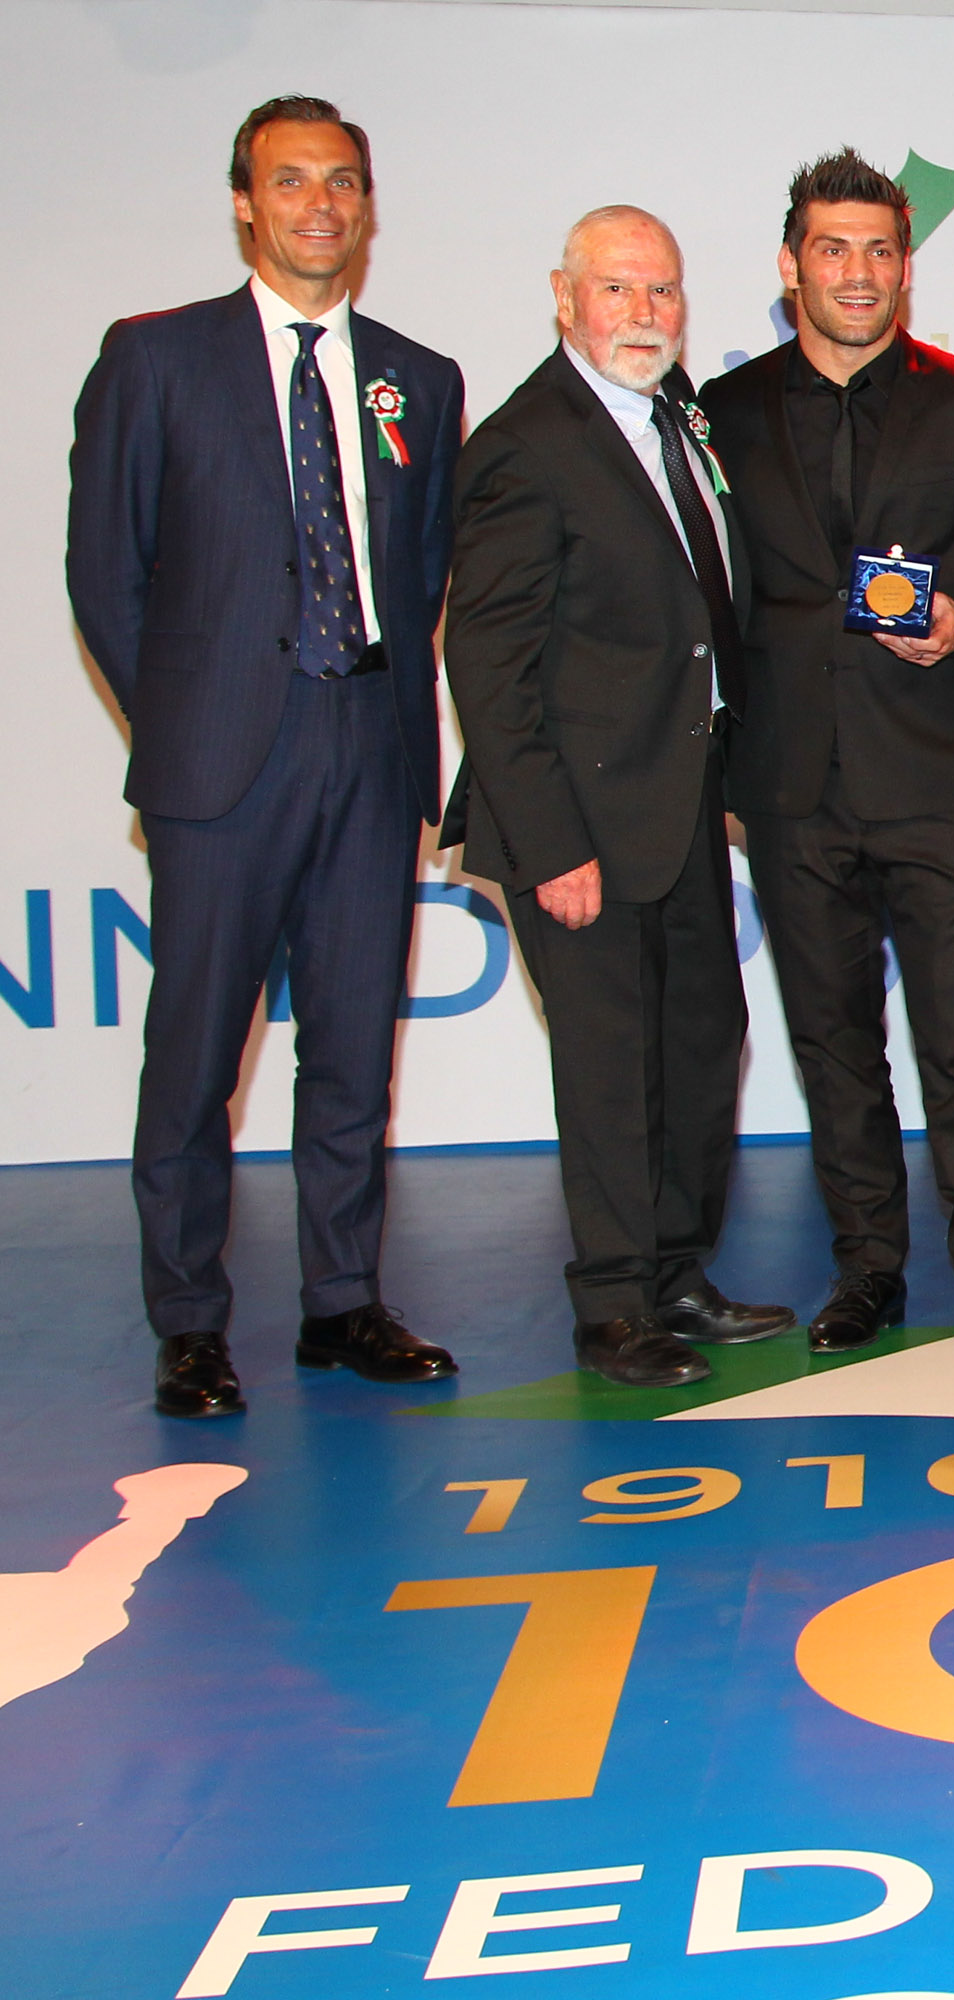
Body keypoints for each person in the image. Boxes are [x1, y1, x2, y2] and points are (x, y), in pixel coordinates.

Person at [68, 96, 464, 1418]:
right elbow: (105, 572)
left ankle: (342, 1303)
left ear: (367, 206)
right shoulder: (157, 360)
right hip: (223, 761)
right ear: (245, 202)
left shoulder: (421, 376)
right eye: (291, 182)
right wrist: (180, 722)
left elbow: (417, 577)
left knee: (355, 1048)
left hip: (371, 742)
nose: (319, 205)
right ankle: (189, 1323)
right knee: (196, 1056)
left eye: (343, 183)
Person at [700, 152, 954, 1364]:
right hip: (792, 786)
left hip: (941, 778)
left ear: (906, 265)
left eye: (879, 250)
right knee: (833, 1044)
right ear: (789, 263)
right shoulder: (727, 411)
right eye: (833, 248)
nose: (858, 273)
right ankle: (868, 1265)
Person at [441, 206, 794, 1388]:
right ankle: (612, 1306)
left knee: (705, 1043)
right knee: (607, 1070)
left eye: (664, 292)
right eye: (620, 291)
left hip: (683, 804)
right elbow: (486, 667)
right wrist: (548, 846)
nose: (645, 314)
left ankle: (676, 1271)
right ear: (565, 297)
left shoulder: (675, 414)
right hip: (578, 825)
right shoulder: (526, 443)